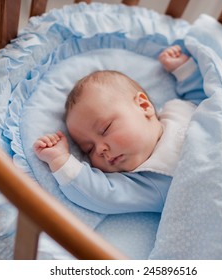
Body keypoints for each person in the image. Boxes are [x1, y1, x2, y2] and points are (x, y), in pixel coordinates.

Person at [33, 45, 200, 214]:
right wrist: (60, 160)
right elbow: (103, 195)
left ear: (143, 106)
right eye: (88, 149)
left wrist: (184, 70)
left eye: (105, 129)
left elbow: (213, 104)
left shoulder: (178, 109)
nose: (100, 149)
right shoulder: (150, 181)